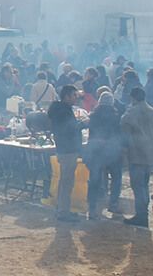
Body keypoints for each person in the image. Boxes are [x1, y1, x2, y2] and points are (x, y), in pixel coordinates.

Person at [120, 88, 153, 227]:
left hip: (136, 154)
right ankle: (143, 214)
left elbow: (124, 129)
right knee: (144, 185)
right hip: (150, 154)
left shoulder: (132, 112)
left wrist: (124, 151)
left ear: (133, 98)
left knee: (138, 186)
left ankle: (141, 215)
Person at [47, 85, 87, 222]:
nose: (76, 98)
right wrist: (83, 124)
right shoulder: (63, 111)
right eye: (74, 95)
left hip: (64, 148)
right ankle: (63, 212)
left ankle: (62, 208)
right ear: (67, 96)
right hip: (68, 149)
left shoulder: (59, 109)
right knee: (67, 182)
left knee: (65, 181)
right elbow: (69, 129)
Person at [85, 92, 123, 219]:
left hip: (96, 151)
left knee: (94, 179)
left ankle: (92, 208)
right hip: (112, 151)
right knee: (116, 178)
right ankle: (113, 203)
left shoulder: (93, 115)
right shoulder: (116, 115)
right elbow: (119, 135)